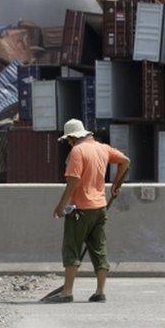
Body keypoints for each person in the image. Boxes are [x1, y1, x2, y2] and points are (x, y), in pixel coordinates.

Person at [42, 119, 130, 304]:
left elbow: (73, 182)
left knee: (72, 248)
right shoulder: (102, 148)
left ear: (73, 137)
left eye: (68, 140)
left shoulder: (77, 151)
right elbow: (125, 161)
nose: (68, 143)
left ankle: (67, 292)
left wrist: (60, 206)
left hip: (80, 209)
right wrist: (116, 184)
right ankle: (100, 292)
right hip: (100, 208)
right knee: (99, 249)